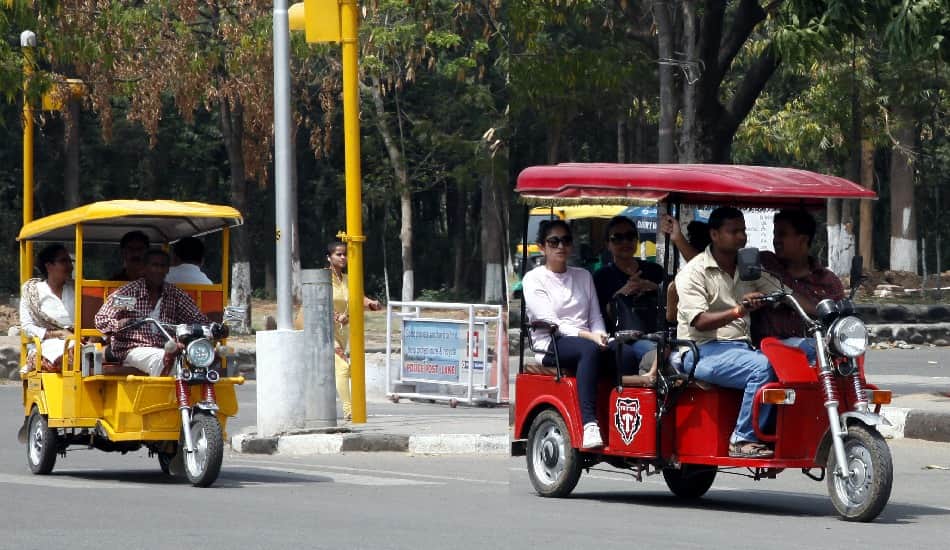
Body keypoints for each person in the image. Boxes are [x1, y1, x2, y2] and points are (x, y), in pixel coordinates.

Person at [674, 206, 780, 458]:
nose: (741, 237)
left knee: (798, 358)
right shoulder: (693, 272)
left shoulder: (749, 267)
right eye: (734, 232)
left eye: (743, 231)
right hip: (700, 351)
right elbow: (699, 321)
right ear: (714, 234)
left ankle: (780, 432)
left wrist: (824, 307)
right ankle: (742, 439)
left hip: (742, 349)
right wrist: (739, 310)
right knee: (763, 367)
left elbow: (782, 292)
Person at [523, 220, 609, 449]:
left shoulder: (584, 276)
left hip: (587, 340)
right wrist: (589, 337)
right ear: (542, 247)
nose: (561, 246)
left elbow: (595, 316)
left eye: (566, 240)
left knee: (626, 353)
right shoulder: (533, 278)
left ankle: (615, 421)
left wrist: (600, 335)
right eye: (554, 241)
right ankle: (589, 423)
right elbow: (554, 323)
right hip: (551, 342)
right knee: (588, 350)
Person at [294, 241, 381, 422]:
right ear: (329, 257)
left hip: (340, 332)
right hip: (320, 331)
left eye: (345, 254)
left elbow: (357, 298)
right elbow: (317, 301)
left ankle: (311, 408)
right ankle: (349, 410)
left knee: (340, 369)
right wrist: (336, 316)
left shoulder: (349, 278)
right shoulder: (323, 278)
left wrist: (371, 303)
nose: (343, 257)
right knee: (343, 366)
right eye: (338, 254)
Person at [95, 249, 208, 376]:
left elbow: (198, 319)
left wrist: (212, 329)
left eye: (162, 266)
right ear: (144, 268)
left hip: (169, 347)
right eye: (154, 265)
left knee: (199, 360)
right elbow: (102, 319)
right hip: (133, 348)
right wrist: (120, 324)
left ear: (167, 269)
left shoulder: (175, 295)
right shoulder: (129, 293)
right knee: (160, 359)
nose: (158, 270)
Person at [752, 209, 845, 361]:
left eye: (782, 235)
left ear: (803, 240)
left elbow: (839, 321)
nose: (776, 241)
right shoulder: (765, 264)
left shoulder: (828, 281)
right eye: (775, 235)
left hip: (818, 353)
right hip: (768, 349)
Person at [593, 216, 662, 380]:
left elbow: (672, 305)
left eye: (630, 236)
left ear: (637, 240)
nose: (625, 242)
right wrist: (621, 294)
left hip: (657, 333)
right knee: (655, 352)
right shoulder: (602, 277)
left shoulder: (654, 270)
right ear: (608, 244)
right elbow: (599, 316)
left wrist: (653, 288)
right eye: (617, 238)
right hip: (624, 339)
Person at [19, 244, 76, 373]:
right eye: (64, 261)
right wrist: (58, 334)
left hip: (79, 341)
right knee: (72, 357)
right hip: (47, 346)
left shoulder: (77, 288)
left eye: (70, 261)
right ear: (49, 266)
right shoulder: (32, 291)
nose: (70, 266)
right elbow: (27, 327)